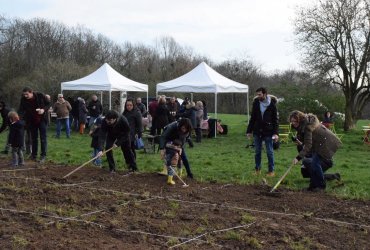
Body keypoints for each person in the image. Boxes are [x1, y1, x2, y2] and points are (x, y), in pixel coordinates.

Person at [289, 110, 342, 192]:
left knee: (315, 163)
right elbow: (307, 141)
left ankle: (321, 186)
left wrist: (298, 158)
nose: (293, 123)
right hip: (318, 144)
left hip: (326, 143)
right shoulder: (301, 127)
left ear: (300, 120)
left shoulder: (307, 126)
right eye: (292, 121)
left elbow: (308, 145)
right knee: (311, 163)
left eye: (295, 121)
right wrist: (301, 144)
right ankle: (312, 186)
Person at [246, 87, 279, 177]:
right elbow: (252, 118)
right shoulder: (256, 103)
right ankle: (257, 170)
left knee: (269, 152)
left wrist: (276, 133)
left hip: (268, 131)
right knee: (257, 151)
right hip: (257, 131)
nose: (258, 96)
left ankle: (271, 171)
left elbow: (275, 120)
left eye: (260, 94)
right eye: (257, 94)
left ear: (265, 94)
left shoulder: (272, 105)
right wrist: (249, 131)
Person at [18, 87, 50, 163]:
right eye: (24, 94)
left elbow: (48, 104)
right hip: (31, 120)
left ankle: (43, 155)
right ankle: (34, 155)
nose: (25, 96)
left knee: (43, 138)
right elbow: (21, 110)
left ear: (31, 92)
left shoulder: (40, 95)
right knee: (34, 138)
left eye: (27, 94)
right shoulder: (23, 99)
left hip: (42, 119)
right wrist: (19, 118)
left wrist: (43, 110)